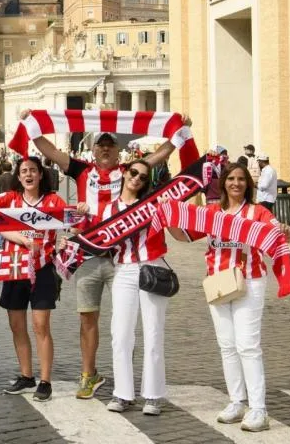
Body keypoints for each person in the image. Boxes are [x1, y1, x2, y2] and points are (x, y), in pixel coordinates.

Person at [24, 114, 182, 402]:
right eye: (101, 146)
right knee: (88, 317)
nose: (106, 150)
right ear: (94, 151)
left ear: (118, 151)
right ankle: (89, 374)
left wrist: (178, 136)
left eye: (111, 146)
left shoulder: (129, 172)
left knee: (127, 325)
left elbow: (157, 157)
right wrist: (32, 127)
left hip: (123, 257)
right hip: (89, 254)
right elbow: (48, 150)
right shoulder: (82, 170)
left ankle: (133, 384)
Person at [168, 163, 290, 432]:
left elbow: (278, 235)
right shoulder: (212, 212)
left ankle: (258, 408)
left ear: (248, 184)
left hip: (250, 281)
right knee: (227, 345)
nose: (236, 183)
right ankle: (237, 401)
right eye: (231, 179)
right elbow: (184, 235)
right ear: (223, 183)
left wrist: (285, 232)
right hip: (218, 282)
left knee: (248, 345)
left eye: (241, 179)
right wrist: (168, 215)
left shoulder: (258, 212)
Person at [0, 157, 66, 401]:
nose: (28, 174)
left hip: (43, 268)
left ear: (40, 175)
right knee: (17, 326)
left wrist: (78, 217)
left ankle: (45, 380)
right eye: (24, 171)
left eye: (33, 171)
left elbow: (72, 221)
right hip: (14, 269)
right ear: (18, 176)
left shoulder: (53, 200)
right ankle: (26, 376)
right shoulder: (10, 198)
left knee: (41, 326)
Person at [89, 160, 169, 416]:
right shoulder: (108, 209)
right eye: (133, 173)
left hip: (152, 267)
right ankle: (122, 393)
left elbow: (179, 231)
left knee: (153, 332)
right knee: (121, 333)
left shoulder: (154, 205)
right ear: (124, 173)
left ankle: (153, 394)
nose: (137, 179)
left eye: (143, 177)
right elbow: (96, 241)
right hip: (122, 270)